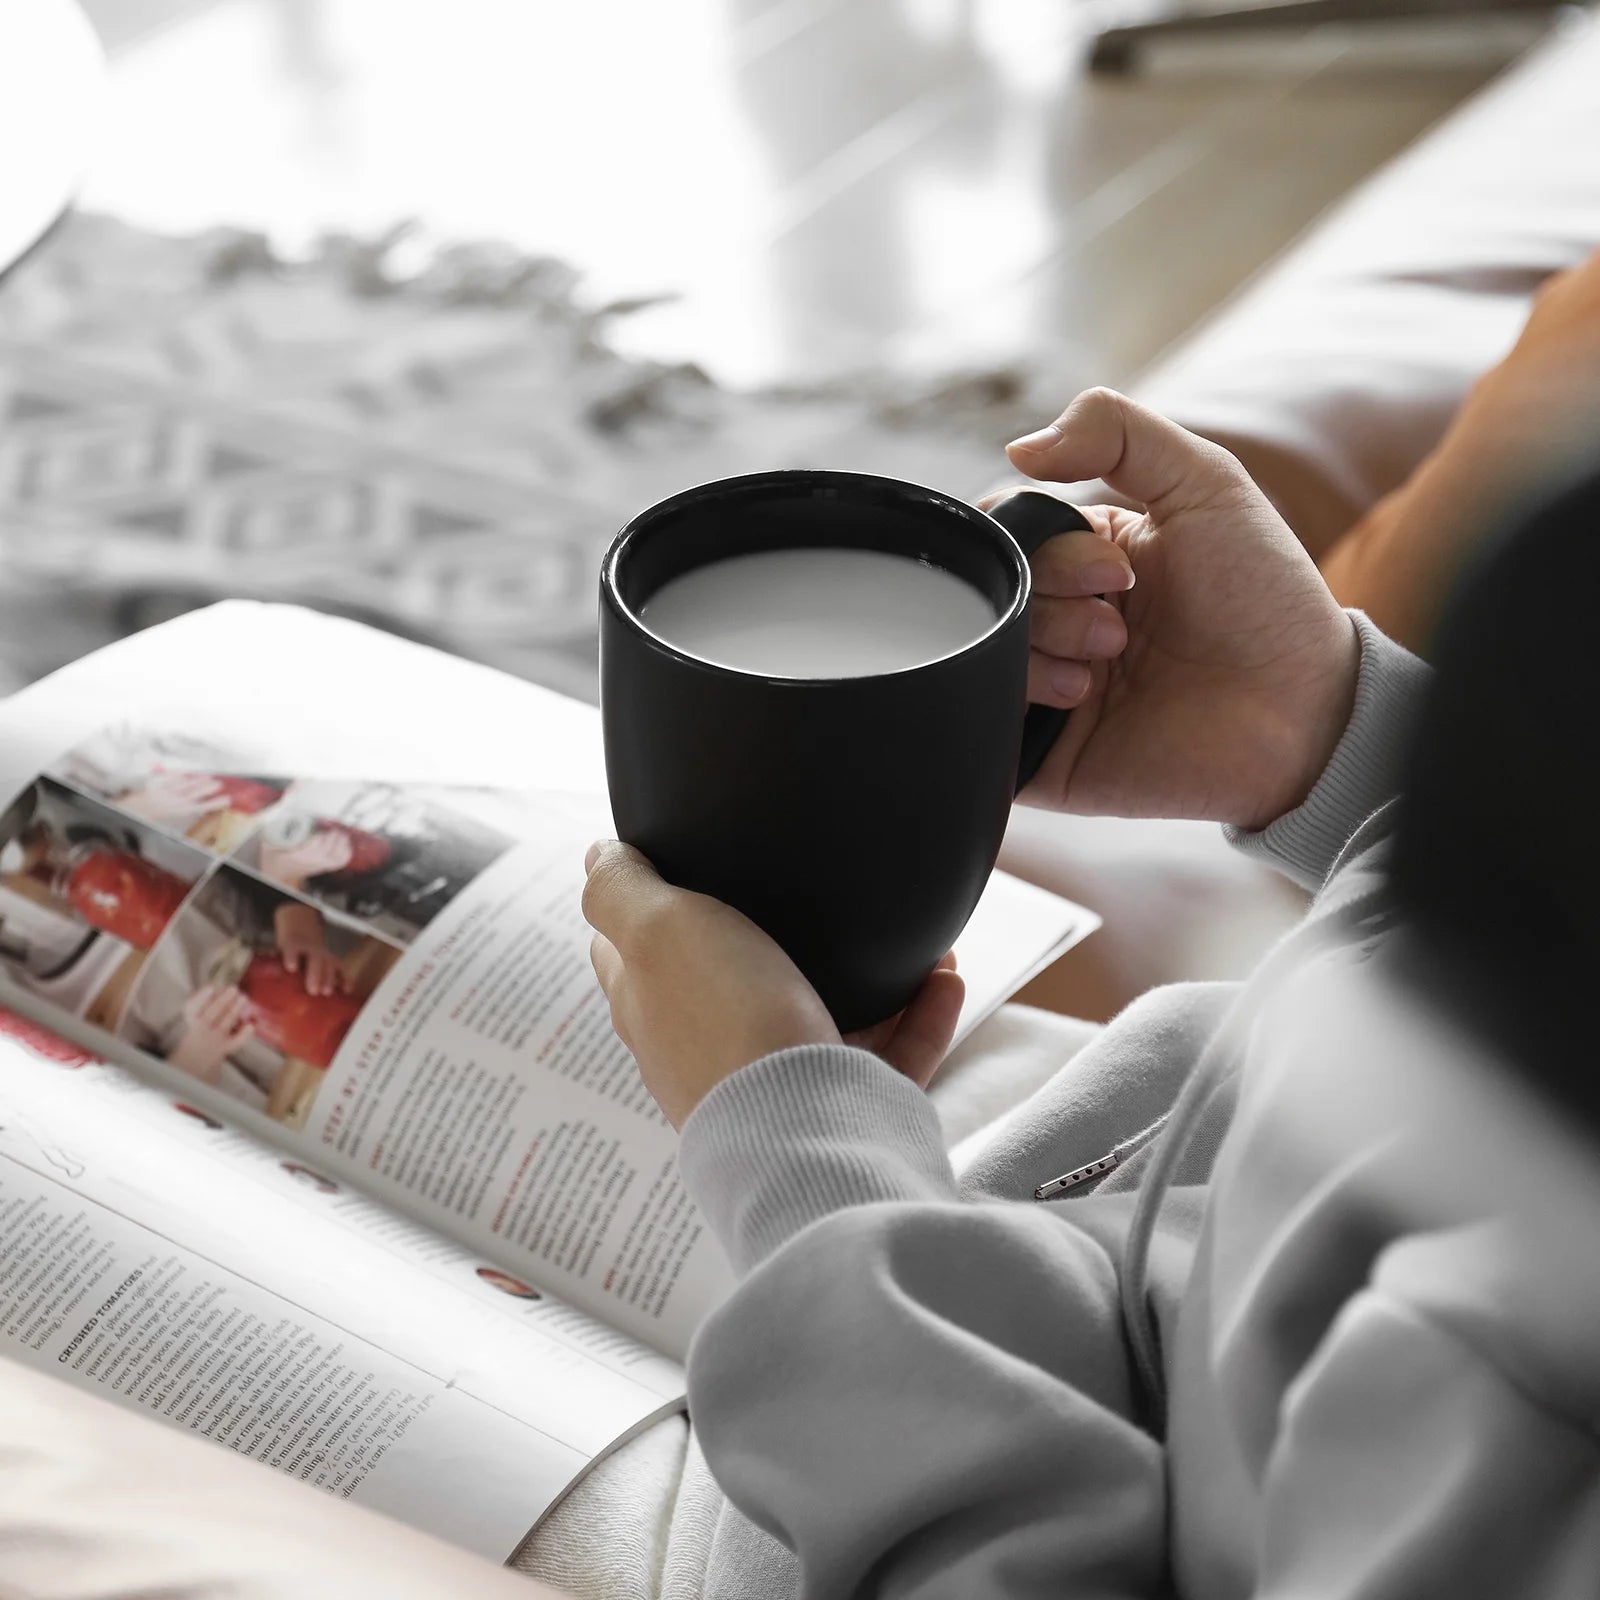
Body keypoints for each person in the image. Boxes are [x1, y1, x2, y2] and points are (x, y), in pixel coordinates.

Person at [571, 388, 1600, 1597]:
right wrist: (1335, 733)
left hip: (864, 1462)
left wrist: (801, 1165)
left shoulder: (1516, 1391)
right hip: (1067, 1219)